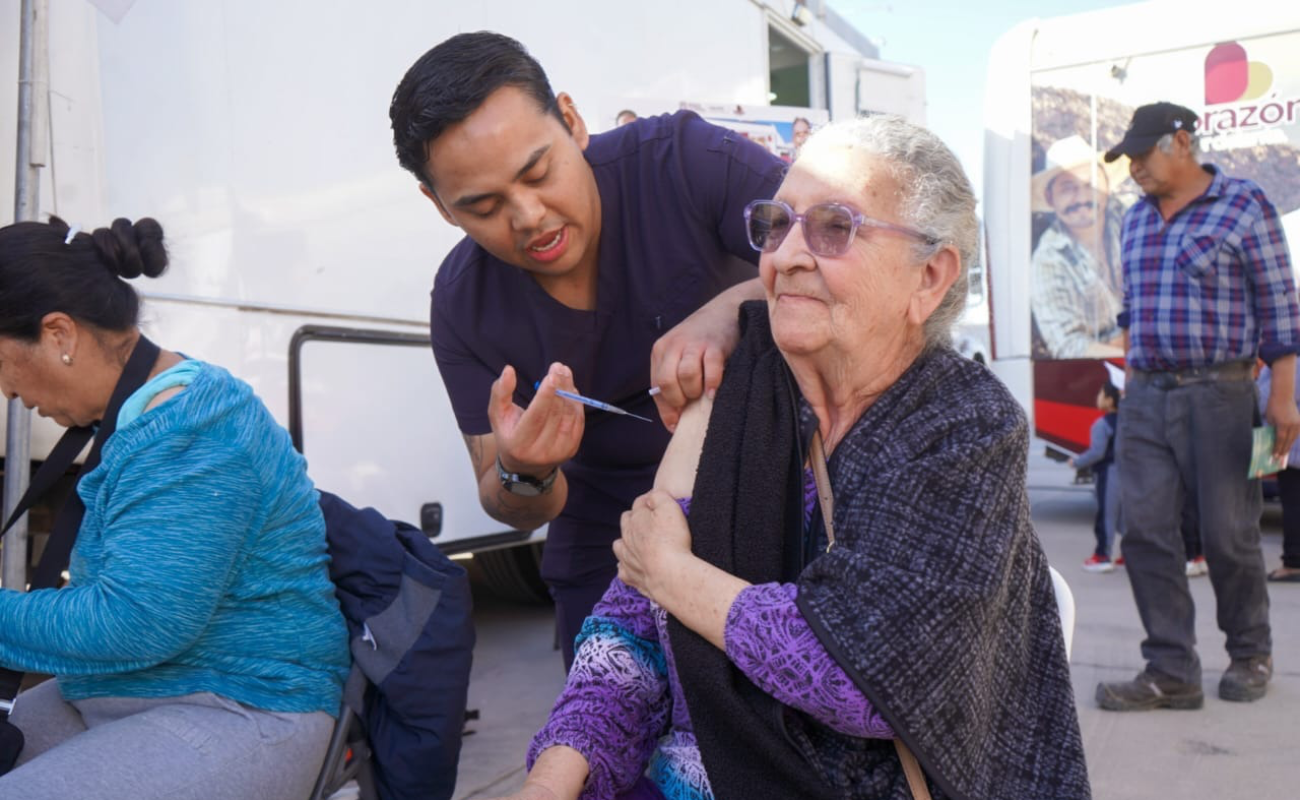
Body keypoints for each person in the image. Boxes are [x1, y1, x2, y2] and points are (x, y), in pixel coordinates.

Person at [498, 116, 1089, 800]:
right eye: (778, 224)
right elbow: (632, 626)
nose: (786, 257)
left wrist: (675, 574)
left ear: (929, 276)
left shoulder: (963, 426)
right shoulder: (739, 391)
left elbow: (870, 674)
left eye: (834, 227)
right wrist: (551, 778)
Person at [389, 32, 785, 669]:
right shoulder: (462, 305)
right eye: (483, 206)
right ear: (439, 206)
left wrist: (731, 311)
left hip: (771, 497)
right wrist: (528, 468)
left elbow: (842, 252)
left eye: (537, 171)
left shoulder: (683, 160)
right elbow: (511, 503)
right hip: (610, 540)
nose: (528, 217)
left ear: (572, 122)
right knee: (605, 735)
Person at [0, 217, 350, 798]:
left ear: (59, 334)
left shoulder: (197, 430)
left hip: (243, 704)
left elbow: (134, 623)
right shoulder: (149, 408)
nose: (10, 392)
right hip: (127, 688)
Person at [1096, 101, 1300, 711]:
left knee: (1230, 534)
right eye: (1127, 158)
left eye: (1142, 153)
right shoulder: (1134, 221)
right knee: (1146, 534)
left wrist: (1284, 399)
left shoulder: (1243, 204)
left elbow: (1281, 307)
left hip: (1221, 392)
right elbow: (1131, 311)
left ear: (1181, 142)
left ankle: (1250, 653)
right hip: (1147, 396)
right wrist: (1130, 382)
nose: (1134, 167)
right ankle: (1171, 670)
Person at [1030, 135, 1126, 358]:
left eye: (1090, 184)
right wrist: (1132, 349)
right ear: (1050, 198)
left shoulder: (1131, 222)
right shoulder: (1049, 259)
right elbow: (1068, 346)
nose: (1082, 197)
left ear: (1107, 186)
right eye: (1067, 188)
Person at [1070, 381, 1121, 571]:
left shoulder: (1102, 424)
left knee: (1106, 515)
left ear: (1108, 399)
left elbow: (1097, 452)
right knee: (1124, 517)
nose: (1098, 397)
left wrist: (1076, 462)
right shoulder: (1127, 420)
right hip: (1128, 472)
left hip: (1108, 473)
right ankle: (1130, 555)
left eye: (1100, 393)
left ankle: (1103, 556)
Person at [1258, 362, 1300, 582]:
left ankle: (1294, 563)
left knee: (1293, 504)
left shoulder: (1292, 362)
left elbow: (1265, 399)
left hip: (1292, 448)